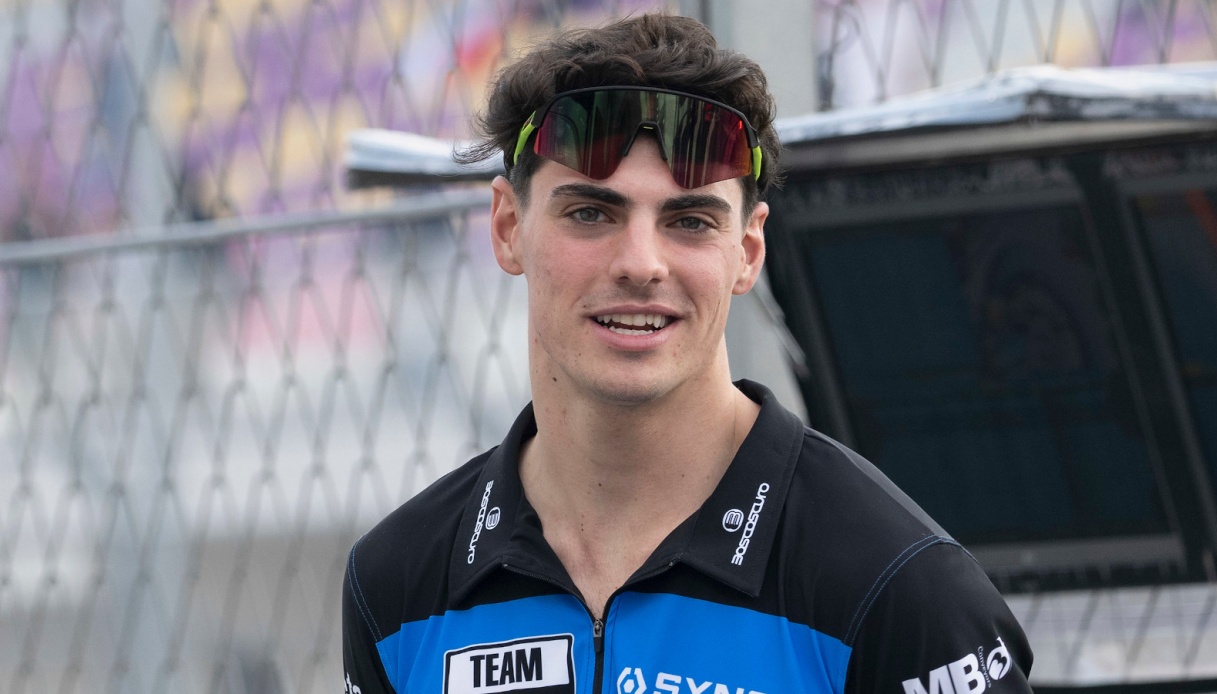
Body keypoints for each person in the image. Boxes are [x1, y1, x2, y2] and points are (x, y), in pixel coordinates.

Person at [343, 13, 1033, 694]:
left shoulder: (892, 583)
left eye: (690, 221)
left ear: (748, 251)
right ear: (507, 226)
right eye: (590, 213)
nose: (641, 264)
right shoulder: (396, 586)